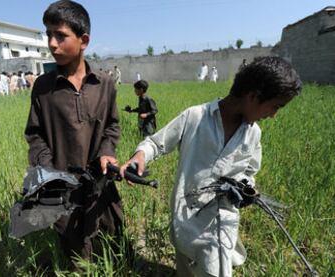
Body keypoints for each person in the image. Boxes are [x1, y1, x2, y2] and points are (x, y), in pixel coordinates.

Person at [120, 56, 302, 277]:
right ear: (253, 97)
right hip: (185, 216)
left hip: (220, 223)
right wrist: (140, 156)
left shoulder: (253, 134)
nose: (273, 115)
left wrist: (246, 187)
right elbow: (156, 143)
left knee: (215, 268)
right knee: (185, 269)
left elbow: (249, 171)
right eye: (275, 107)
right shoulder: (195, 117)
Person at [24, 0, 123, 269]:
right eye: (48, 35)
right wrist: (48, 172)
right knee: (74, 250)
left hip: (100, 183)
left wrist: (107, 151)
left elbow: (113, 126)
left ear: (84, 40)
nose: (52, 44)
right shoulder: (43, 87)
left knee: (111, 241)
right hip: (62, 187)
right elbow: (35, 134)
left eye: (60, 35)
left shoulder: (105, 84)